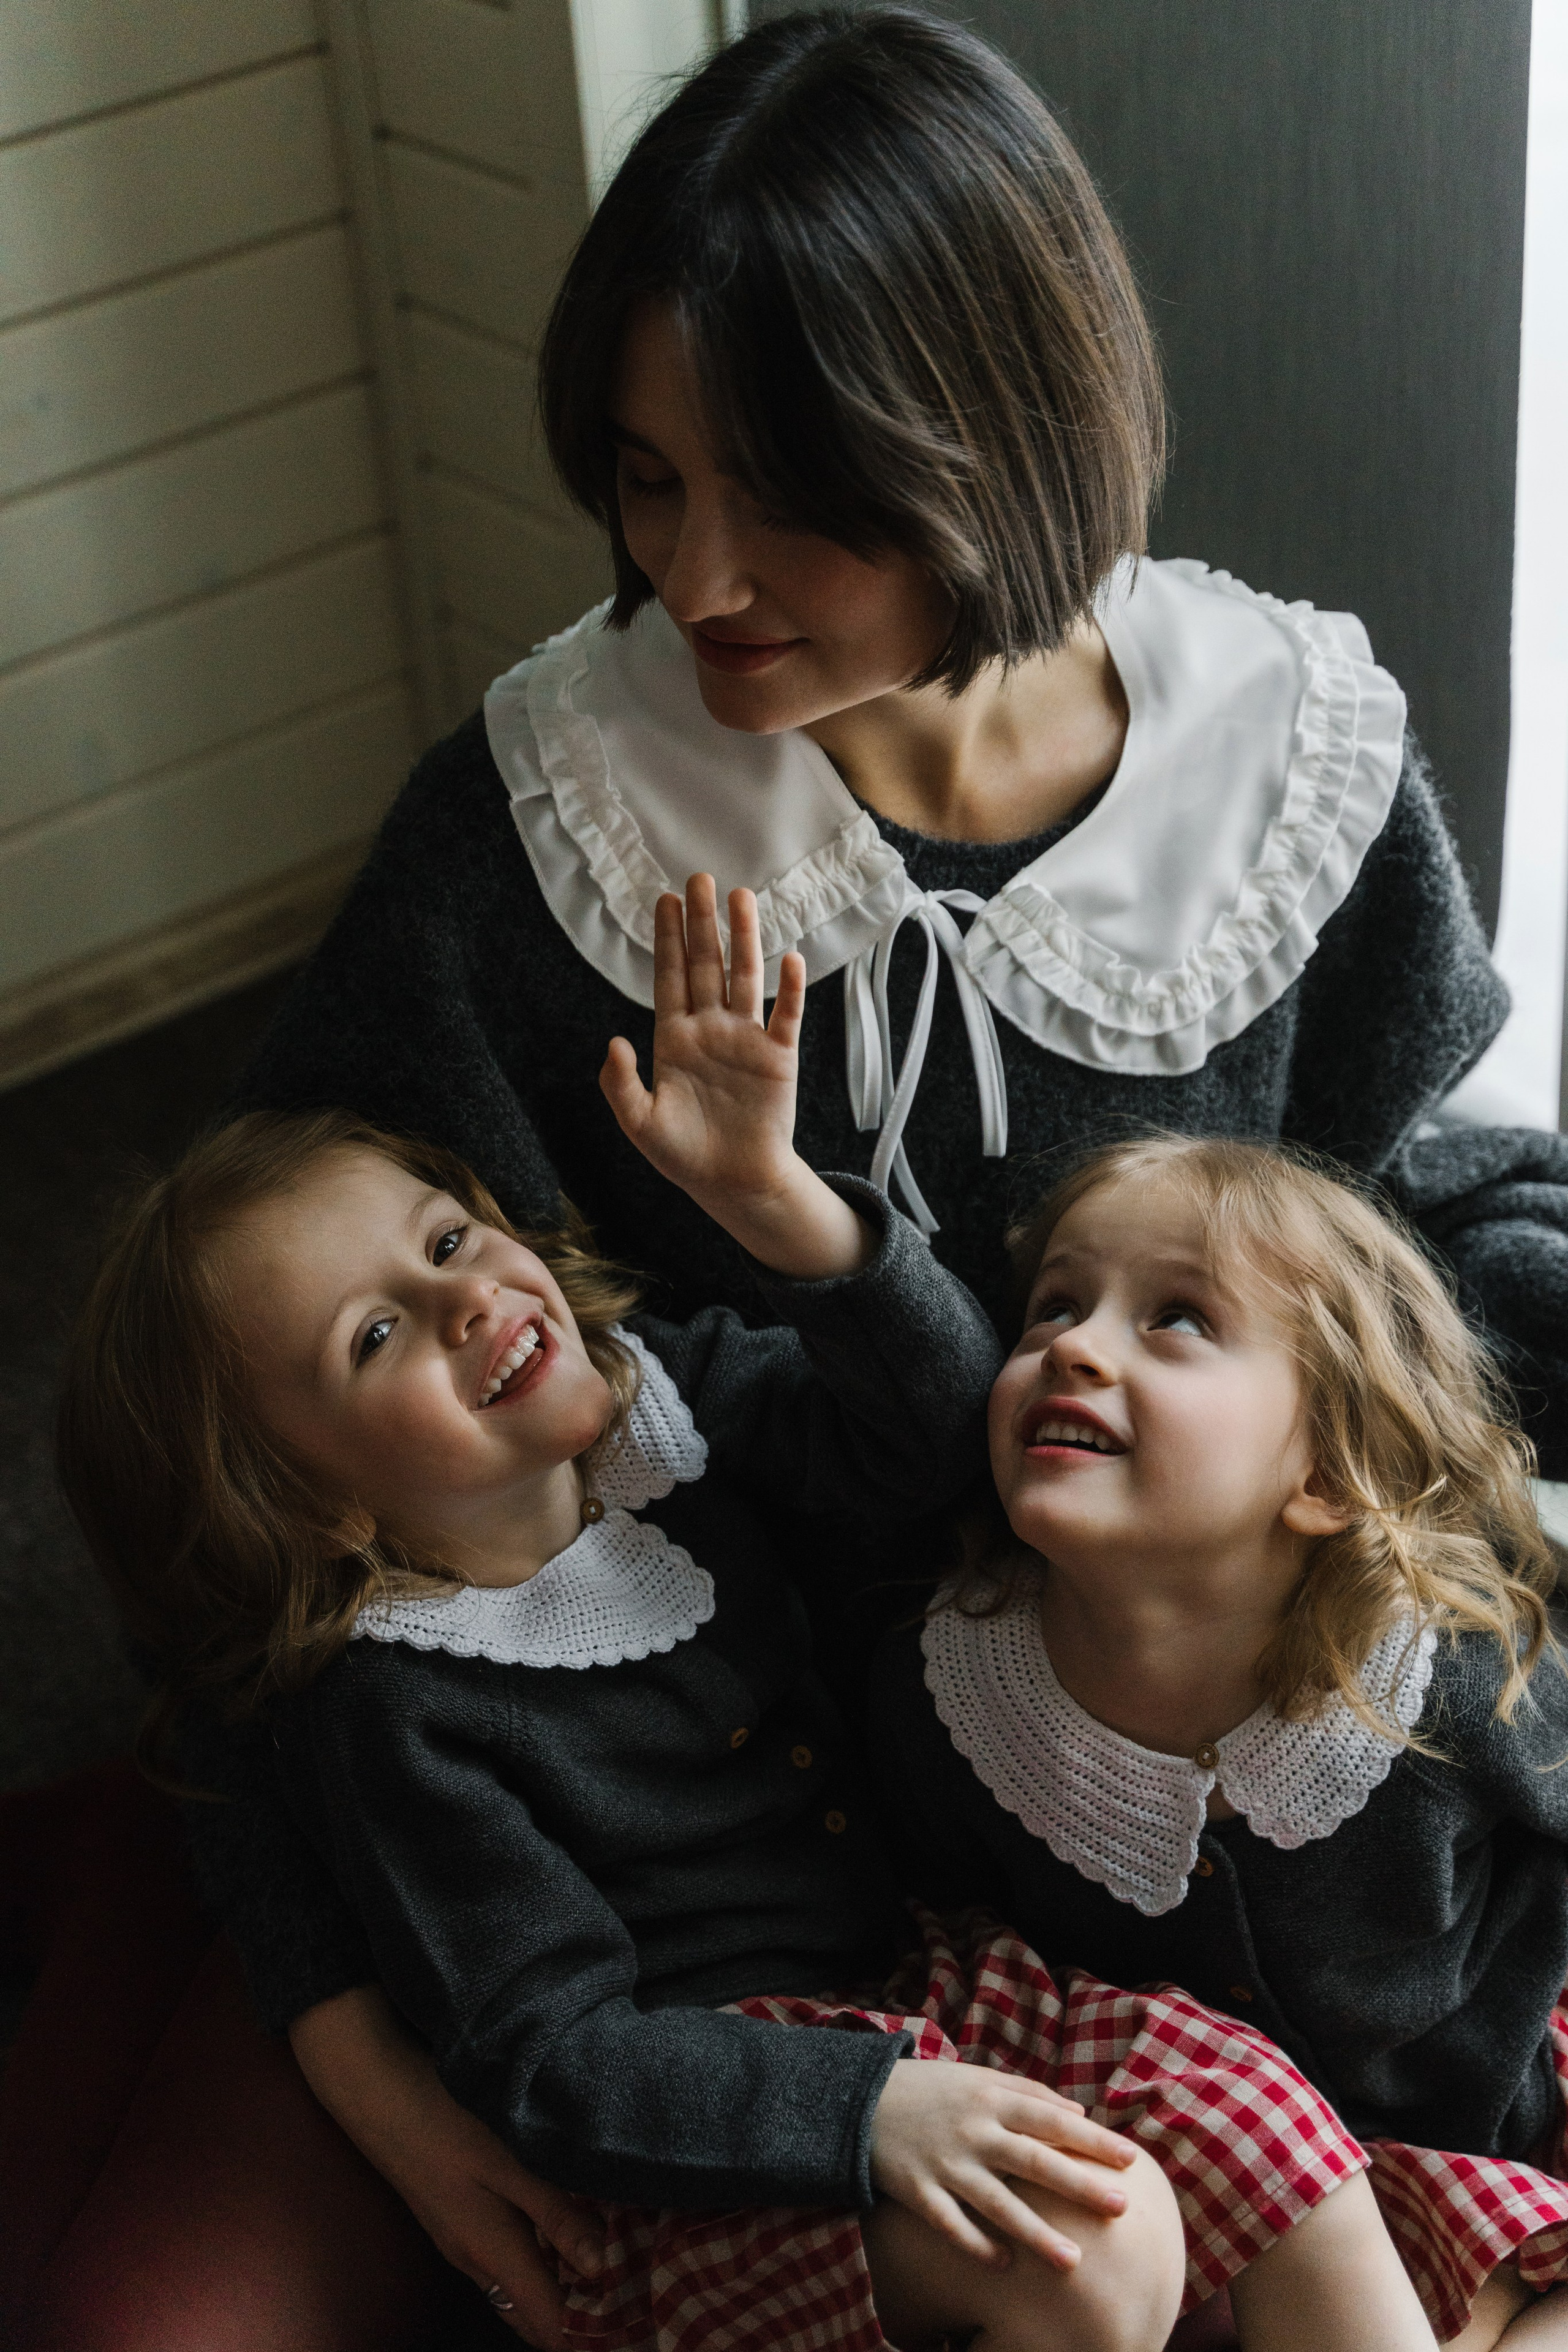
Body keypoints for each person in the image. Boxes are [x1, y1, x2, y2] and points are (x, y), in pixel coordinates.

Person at [11, 5, 1568, 2343]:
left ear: (993, 436)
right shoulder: (531, 842)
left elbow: (1359, 1250)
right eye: (643, 479)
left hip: (1175, 1801)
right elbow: (241, 1496)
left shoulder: (1288, 771)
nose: (698, 579)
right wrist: (370, 2067)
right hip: (688, 1871)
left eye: (788, 491)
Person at [51, 887, 1438, 2352]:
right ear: (313, 1511)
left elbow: (935, 1434)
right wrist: (868, 2107)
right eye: (376, 1335)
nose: (465, 1300)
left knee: (1253, 2109)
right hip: (702, 2153)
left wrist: (775, 1200)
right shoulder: (399, 1708)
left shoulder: (664, 1403)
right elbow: (554, 2060)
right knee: (1083, 2245)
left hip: (925, 1979)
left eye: (448, 1241)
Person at [870, 1134, 1568, 2348]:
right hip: (1218, 2208)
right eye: (1051, 1308)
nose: (1072, 1347)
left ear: (1326, 1476)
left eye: (1177, 1319)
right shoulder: (948, 1688)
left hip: (1476, 2136)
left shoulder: (1448, 1677)